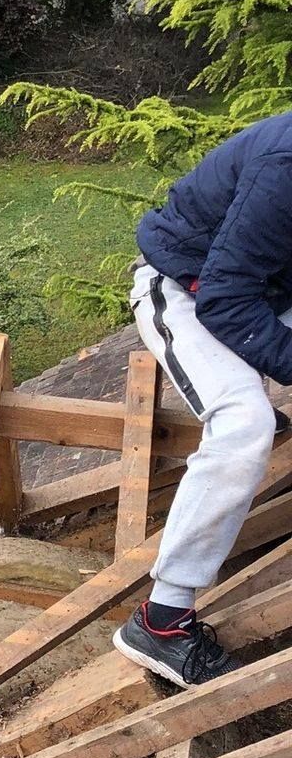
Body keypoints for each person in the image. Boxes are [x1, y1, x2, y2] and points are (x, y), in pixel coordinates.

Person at [113, 109, 292, 688]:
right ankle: (161, 620)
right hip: (186, 289)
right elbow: (224, 297)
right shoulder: (286, 165)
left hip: (262, 288)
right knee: (244, 424)